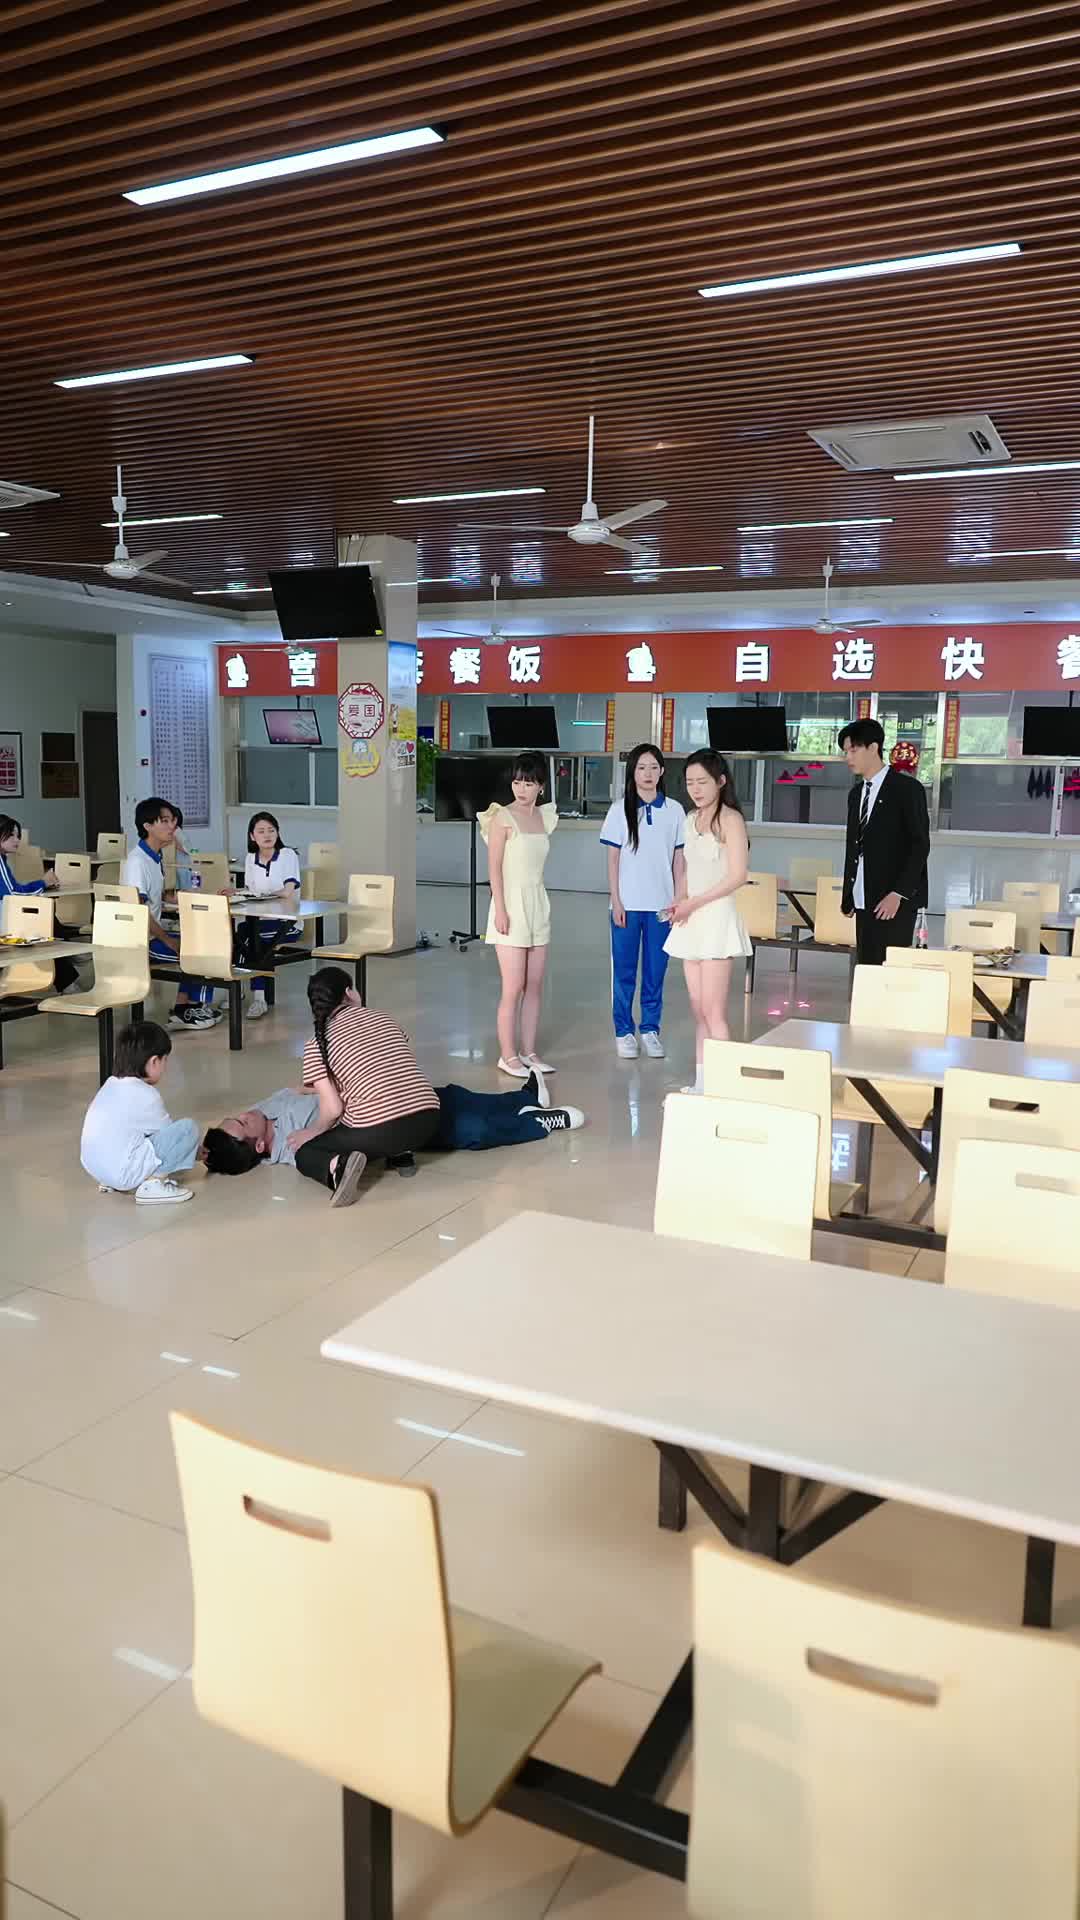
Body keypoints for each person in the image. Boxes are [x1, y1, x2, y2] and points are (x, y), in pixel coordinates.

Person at [201, 1067, 583, 1175]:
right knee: (470, 1129)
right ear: (260, 1145)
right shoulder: (294, 1145)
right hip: (389, 1120)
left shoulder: (265, 1110)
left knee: (455, 1097)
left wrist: (206, 1149)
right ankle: (539, 1123)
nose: (245, 1114)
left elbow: (303, 1087)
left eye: (236, 1117)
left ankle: (525, 1098)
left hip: (388, 1093)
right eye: (242, 1124)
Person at [290, 966, 443, 1207]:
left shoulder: (316, 1043)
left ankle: (338, 1169)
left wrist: (313, 1132)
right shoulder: (383, 1017)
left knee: (306, 1154)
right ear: (349, 993)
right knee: (386, 1108)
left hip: (378, 1131)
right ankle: (401, 1155)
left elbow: (333, 1109)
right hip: (428, 1119)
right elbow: (392, 1069)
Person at [661, 749, 751, 1093]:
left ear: (721, 781)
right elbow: (687, 868)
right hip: (692, 918)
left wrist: (693, 903)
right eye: (690, 783)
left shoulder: (730, 819)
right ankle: (702, 1084)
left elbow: (738, 875)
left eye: (702, 782)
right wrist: (679, 899)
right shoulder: (690, 819)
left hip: (716, 918)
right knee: (698, 1010)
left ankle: (724, 1088)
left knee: (714, 1012)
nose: (695, 789)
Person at [600, 743, 686, 1060]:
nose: (648, 773)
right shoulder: (618, 810)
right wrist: (616, 900)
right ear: (632, 772)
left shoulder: (675, 811)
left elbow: (679, 861)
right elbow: (612, 860)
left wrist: (678, 900)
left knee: (655, 972)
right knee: (624, 973)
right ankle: (624, 1032)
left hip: (661, 907)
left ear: (662, 771)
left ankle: (650, 1030)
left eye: (653, 767)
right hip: (626, 906)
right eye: (641, 767)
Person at [479, 749, 557, 1080]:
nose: (521, 789)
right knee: (513, 986)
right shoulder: (501, 817)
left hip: (538, 903)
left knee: (535, 985)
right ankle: (508, 1055)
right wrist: (500, 909)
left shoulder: (544, 816)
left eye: (528, 783)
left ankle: (529, 1051)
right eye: (516, 782)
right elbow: (494, 869)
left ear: (541, 785)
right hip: (510, 904)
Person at [120, 798, 220, 1030]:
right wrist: (168, 940)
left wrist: (185, 897)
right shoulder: (137, 862)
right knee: (202, 952)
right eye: (164, 821)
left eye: (173, 821)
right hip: (141, 941)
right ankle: (190, 1007)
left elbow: (158, 895)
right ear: (147, 826)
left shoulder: (155, 857)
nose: (172, 826)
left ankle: (184, 1008)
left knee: (206, 941)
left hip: (152, 934)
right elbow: (139, 912)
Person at [838, 718, 930, 965]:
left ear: (873, 748)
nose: (848, 757)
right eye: (845, 752)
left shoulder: (907, 789)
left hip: (894, 899)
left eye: (853, 750)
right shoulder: (856, 794)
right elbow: (854, 846)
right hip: (863, 894)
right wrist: (849, 893)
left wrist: (898, 893)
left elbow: (919, 845)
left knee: (890, 968)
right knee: (867, 965)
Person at [79, 1018, 199, 1204]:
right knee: (188, 1130)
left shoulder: (110, 1084)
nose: (165, 1067)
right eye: (165, 1060)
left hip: (96, 1169)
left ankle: (114, 1181)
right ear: (153, 1062)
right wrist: (197, 1150)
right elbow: (170, 1137)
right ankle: (153, 1185)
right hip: (122, 1173)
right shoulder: (146, 1095)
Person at [0, 814, 80, 992]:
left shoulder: (2, 859)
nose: (17, 840)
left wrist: (41, 884)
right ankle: (70, 958)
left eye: (18, 836)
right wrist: (43, 883)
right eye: (11, 835)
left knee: (48, 926)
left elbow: (14, 890)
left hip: (6, 917)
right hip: (4, 923)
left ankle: (69, 964)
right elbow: (12, 896)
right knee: (46, 922)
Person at [238, 810, 302, 1020]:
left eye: (271, 830)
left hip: (287, 922)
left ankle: (259, 998)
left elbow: (288, 891)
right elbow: (250, 891)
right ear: (252, 836)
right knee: (237, 934)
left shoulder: (287, 855)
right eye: (261, 831)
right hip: (259, 920)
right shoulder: (250, 858)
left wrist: (261, 895)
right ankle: (238, 987)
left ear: (278, 833)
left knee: (254, 940)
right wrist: (235, 892)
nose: (267, 835)